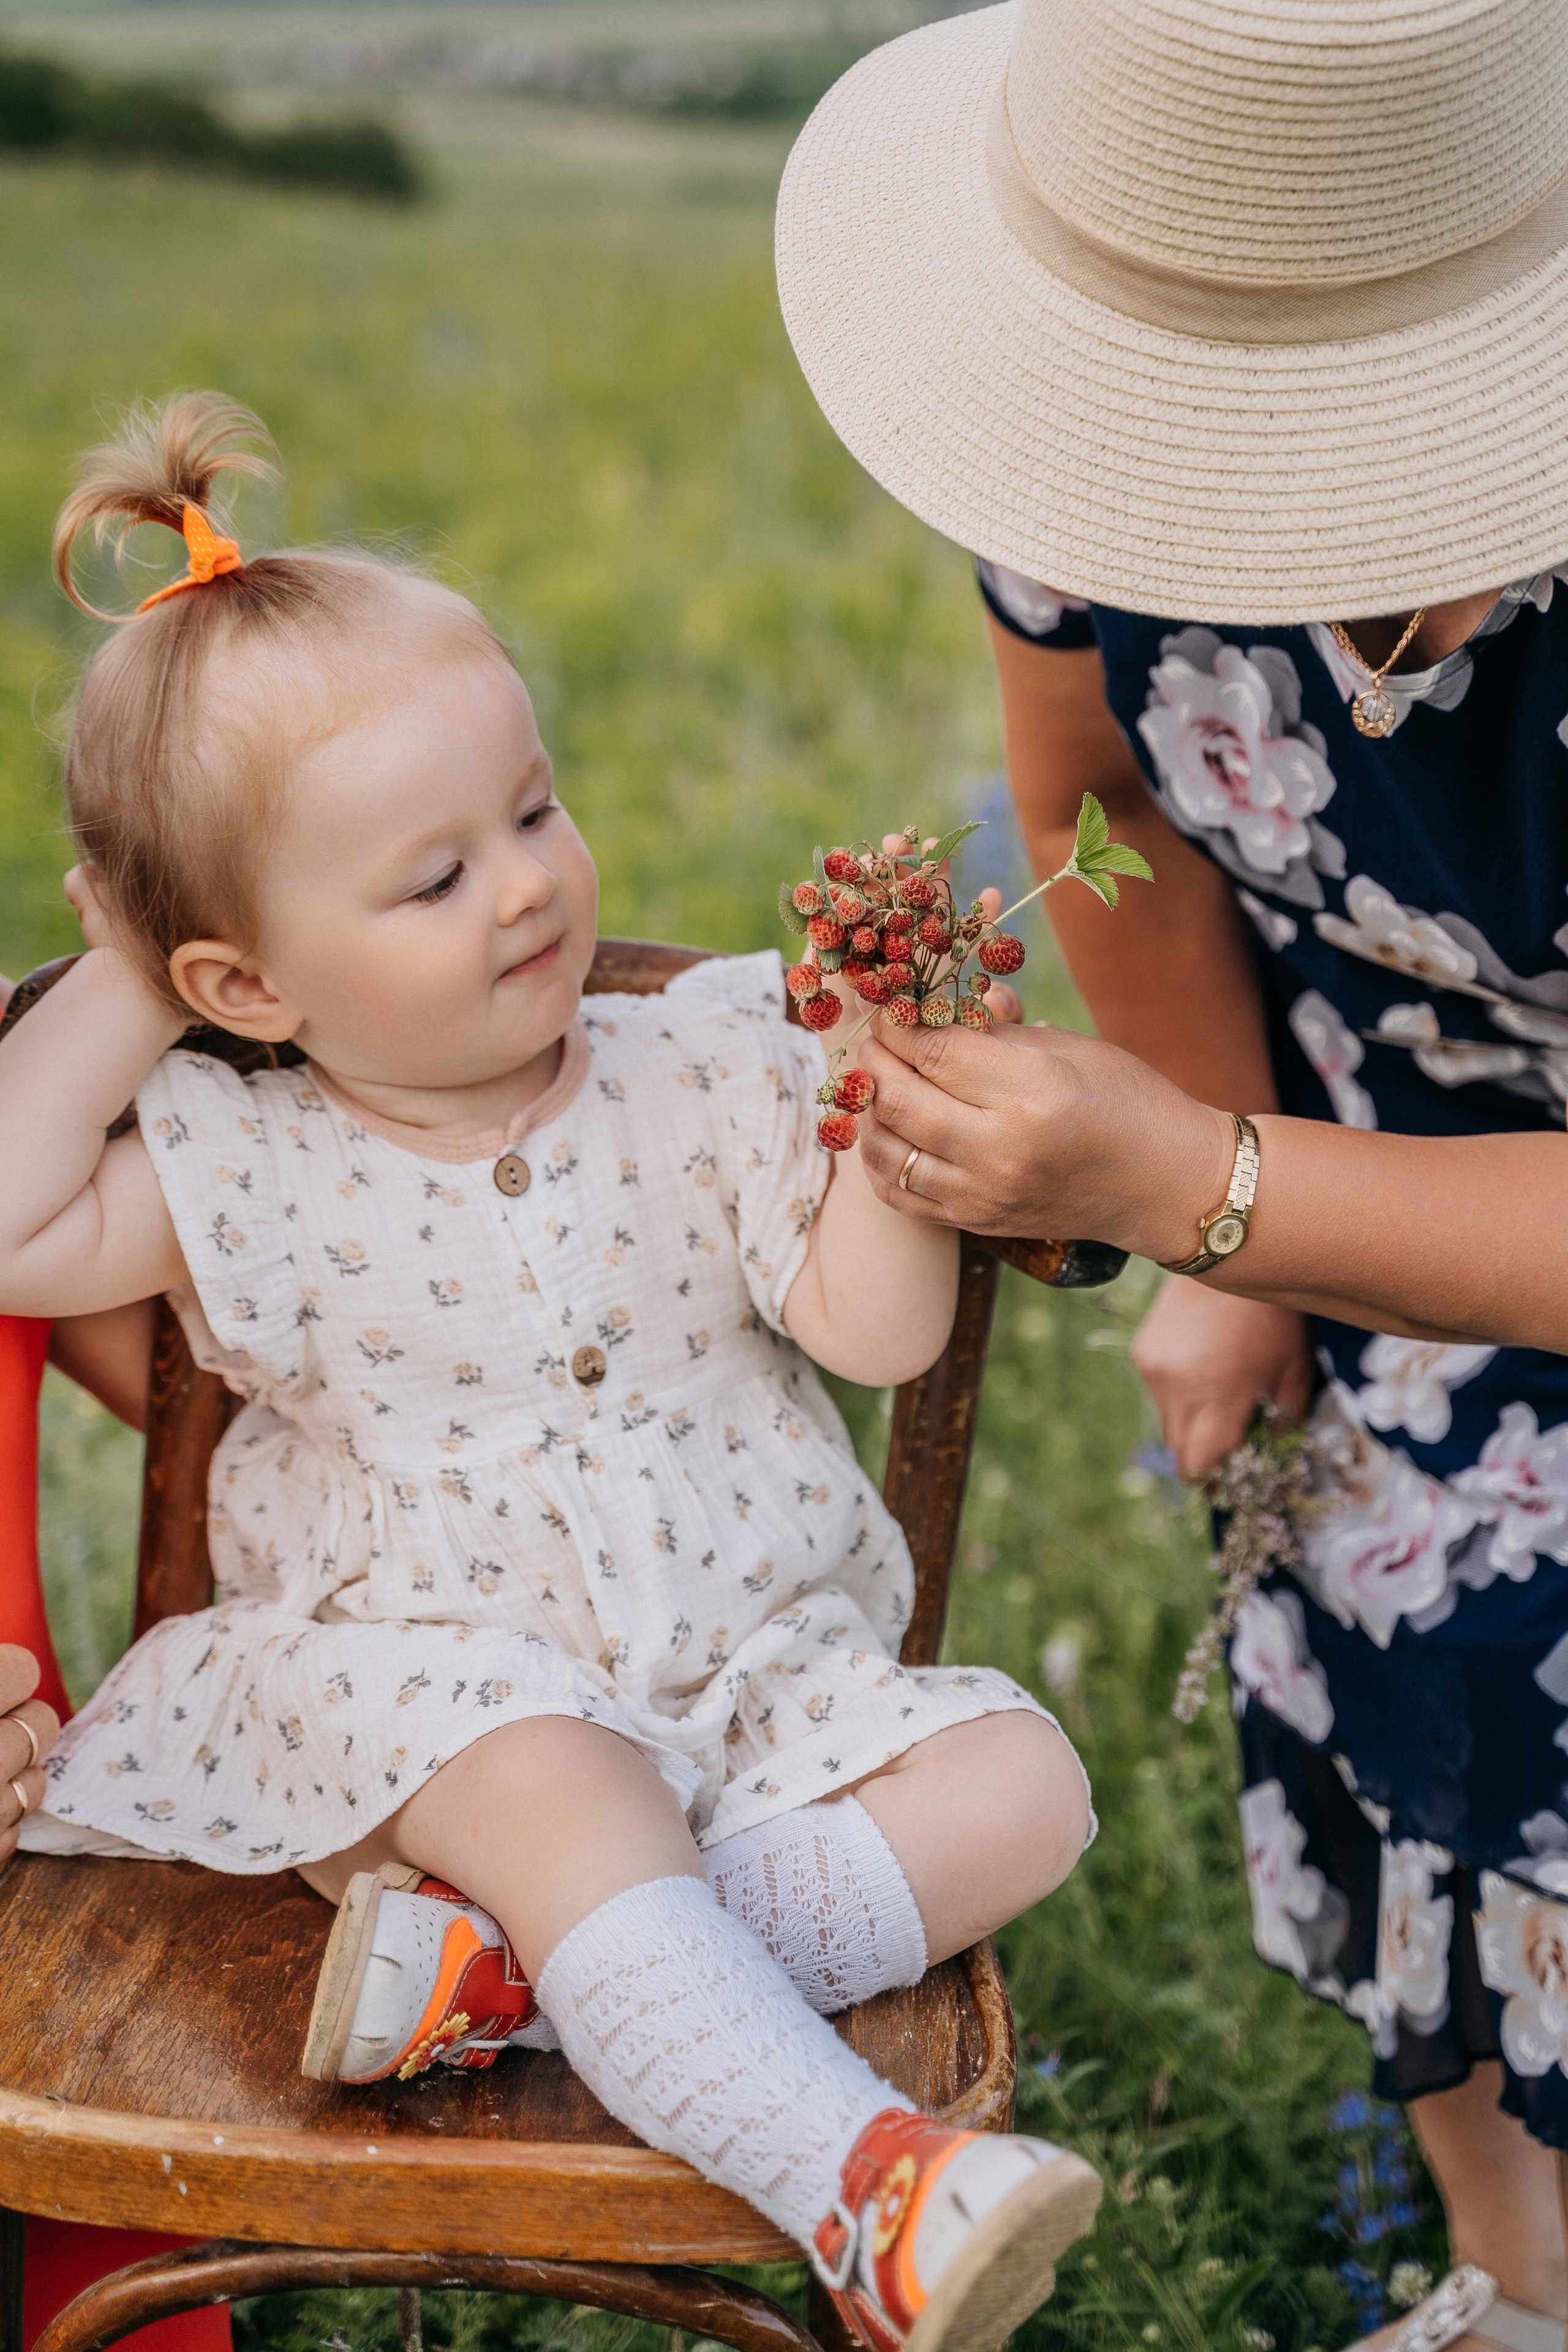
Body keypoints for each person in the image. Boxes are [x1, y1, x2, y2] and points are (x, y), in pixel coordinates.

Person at [0, 391, 1104, 2352]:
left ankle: (520, 1985)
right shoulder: (244, 1157)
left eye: (531, 809)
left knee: (1029, 1786)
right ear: (245, 986)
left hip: (746, 1676)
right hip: (434, 1707)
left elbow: (880, 1334)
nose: (522, 885)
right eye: (430, 882)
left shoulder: (707, 1058)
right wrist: (121, 961)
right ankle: (866, 2185)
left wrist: (874, 1104)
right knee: (567, 1786)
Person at [774, 1, 1568, 2345]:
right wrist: (1243, 1244)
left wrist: (1216, 1192)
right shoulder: (1089, 481)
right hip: (1349, 1120)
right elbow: (1097, 832)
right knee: (1364, 1589)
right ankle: (1516, 2274)